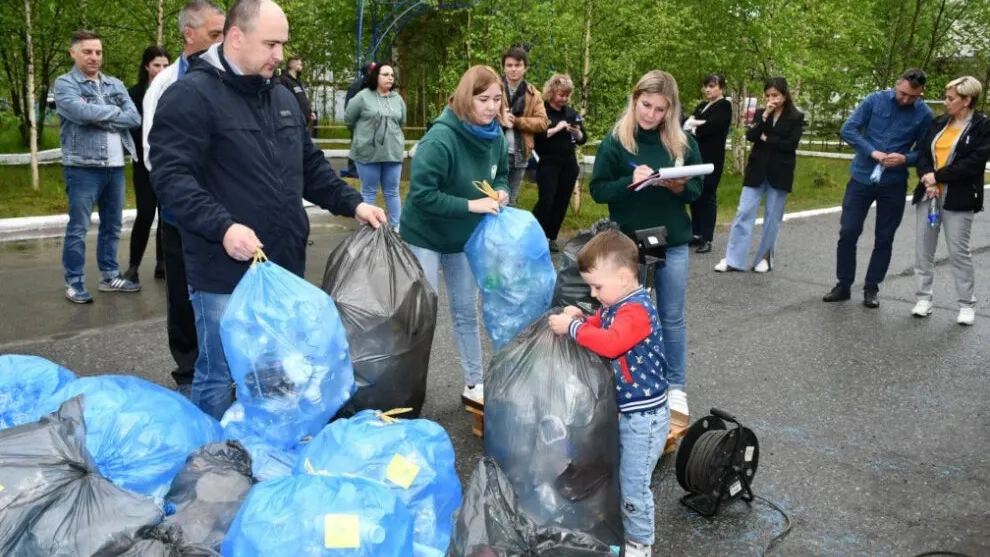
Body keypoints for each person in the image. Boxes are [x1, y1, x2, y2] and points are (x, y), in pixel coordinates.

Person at [149, 0, 387, 420]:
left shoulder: (280, 95)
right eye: (271, 44)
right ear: (236, 38)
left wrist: (354, 204)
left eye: (282, 44)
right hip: (222, 268)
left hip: (281, 262)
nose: (279, 55)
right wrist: (223, 228)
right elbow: (172, 179)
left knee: (276, 366)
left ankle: (270, 450)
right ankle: (208, 465)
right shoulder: (190, 96)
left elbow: (309, 166)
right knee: (220, 373)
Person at [547, 230, 669, 557]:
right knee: (621, 474)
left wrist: (573, 328)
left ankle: (641, 545)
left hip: (644, 418)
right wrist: (581, 317)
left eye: (597, 287)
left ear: (625, 276)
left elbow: (612, 342)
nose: (593, 292)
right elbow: (600, 326)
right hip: (627, 411)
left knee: (633, 485)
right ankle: (626, 525)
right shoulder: (617, 302)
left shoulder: (637, 310)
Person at [589, 70, 703, 423]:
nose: (651, 115)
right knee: (625, 315)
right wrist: (629, 181)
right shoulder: (615, 140)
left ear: (670, 111)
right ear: (635, 98)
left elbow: (698, 192)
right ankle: (626, 383)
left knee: (671, 315)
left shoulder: (682, 143)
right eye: (646, 105)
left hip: (673, 241)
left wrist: (678, 186)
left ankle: (675, 387)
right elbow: (598, 190)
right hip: (628, 245)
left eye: (660, 109)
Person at [399, 65, 510, 408]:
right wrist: (472, 205)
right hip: (425, 235)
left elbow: (503, 175)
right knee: (421, 315)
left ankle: (475, 383)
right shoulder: (441, 138)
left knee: (465, 311)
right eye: (483, 99)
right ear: (466, 97)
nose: (491, 107)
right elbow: (421, 195)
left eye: (497, 98)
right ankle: (404, 385)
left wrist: (502, 192)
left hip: (463, 238)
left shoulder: (495, 137)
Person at [143, 0, 225, 395]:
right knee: (183, 296)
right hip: (182, 215)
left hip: (228, 213)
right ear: (189, 35)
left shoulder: (229, 77)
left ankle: (227, 370)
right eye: (214, 34)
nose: (221, 42)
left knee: (224, 297)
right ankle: (189, 373)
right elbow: (152, 154)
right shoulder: (166, 84)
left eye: (224, 33)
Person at [823, 69, 933, 308]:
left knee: (884, 237)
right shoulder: (874, 100)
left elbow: (924, 152)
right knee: (849, 231)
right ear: (896, 84)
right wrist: (872, 152)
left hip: (893, 183)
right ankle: (843, 284)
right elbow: (848, 129)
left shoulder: (924, 114)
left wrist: (905, 159)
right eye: (902, 93)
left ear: (920, 93)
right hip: (862, 178)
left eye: (912, 97)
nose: (905, 99)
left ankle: (871, 288)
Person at [54, 29, 142, 304]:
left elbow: (134, 117)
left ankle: (109, 275)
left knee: (112, 225)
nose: (94, 57)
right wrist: (114, 113)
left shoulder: (114, 84)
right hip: (82, 167)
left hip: (115, 167)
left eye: (98, 52)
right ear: (73, 53)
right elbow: (78, 112)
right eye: (88, 51)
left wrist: (98, 115)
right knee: (78, 227)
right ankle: (74, 282)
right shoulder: (65, 83)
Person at [910, 76, 990, 325]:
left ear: (966, 100)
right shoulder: (938, 123)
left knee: (958, 252)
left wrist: (938, 176)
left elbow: (973, 163)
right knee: (923, 250)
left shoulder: (982, 127)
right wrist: (927, 178)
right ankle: (924, 298)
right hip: (929, 194)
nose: (946, 102)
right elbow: (923, 153)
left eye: (951, 98)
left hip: (959, 197)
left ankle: (966, 304)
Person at [714, 77, 804, 273]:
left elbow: (790, 144)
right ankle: (733, 259)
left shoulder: (795, 116)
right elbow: (751, 136)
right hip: (757, 170)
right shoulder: (761, 113)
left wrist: (767, 138)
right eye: (768, 95)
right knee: (743, 212)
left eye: (776, 95)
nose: (772, 99)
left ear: (785, 95)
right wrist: (764, 119)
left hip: (780, 171)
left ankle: (765, 258)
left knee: (772, 217)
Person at [122, 46, 170, 285]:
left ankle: (163, 263)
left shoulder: (175, 91)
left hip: (169, 163)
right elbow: (132, 127)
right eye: (156, 65)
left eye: (165, 65)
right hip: (143, 163)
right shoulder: (134, 94)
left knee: (167, 214)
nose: (161, 70)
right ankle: (133, 267)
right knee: (145, 213)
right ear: (146, 67)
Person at [344, 61, 406, 230]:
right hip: (367, 153)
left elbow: (401, 122)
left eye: (392, 75)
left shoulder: (397, 99)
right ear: (375, 76)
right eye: (385, 74)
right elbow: (349, 119)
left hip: (392, 153)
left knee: (392, 192)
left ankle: (396, 229)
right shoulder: (362, 96)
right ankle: (366, 231)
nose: (390, 78)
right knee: (369, 191)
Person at [532, 73, 586, 252]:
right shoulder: (542, 112)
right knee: (547, 199)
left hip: (568, 163)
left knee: (562, 200)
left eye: (567, 95)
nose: (564, 98)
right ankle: (535, 234)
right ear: (552, 92)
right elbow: (538, 137)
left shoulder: (571, 112)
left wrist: (576, 132)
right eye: (561, 94)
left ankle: (552, 237)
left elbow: (582, 138)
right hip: (548, 162)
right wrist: (557, 128)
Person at [684, 73, 732, 254]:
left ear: (721, 88)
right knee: (695, 192)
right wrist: (697, 125)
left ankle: (707, 237)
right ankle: (695, 234)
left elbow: (713, 126)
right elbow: (686, 124)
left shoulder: (724, 105)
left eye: (712, 86)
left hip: (712, 158)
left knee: (708, 195)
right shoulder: (703, 106)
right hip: (696, 156)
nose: (708, 89)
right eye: (706, 86)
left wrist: (696, 126)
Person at [501, 46, 548, 206]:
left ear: (525, 68)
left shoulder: (534, 94)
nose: (513, 69)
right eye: (509, 65)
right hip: (494, 152)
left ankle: (506, 231)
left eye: (517, 65)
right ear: (504, 67)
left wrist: (518, 121)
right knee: (494, 198)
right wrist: (500, 119)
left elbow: (543, 123)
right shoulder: (493, 89)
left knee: (511, 200)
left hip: (521, 153)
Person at [341, 62, 375, 178]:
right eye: (372, 70)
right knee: (356, 146)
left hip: (373, 124)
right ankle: (353, 171)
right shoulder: (356, 86)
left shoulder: (375, 86)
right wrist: (353, 125)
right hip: (358, 124)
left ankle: (369, 170)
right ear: (367, 72)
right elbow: (348, 107)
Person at [279, 55, 316, 135]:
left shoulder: (297, 81)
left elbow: (302, 99)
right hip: (293, 123)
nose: (301, 66)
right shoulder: (283, 80)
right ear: (293, 65)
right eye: (300, 64)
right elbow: (284, 102)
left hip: (303, 122)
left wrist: (309, 112)